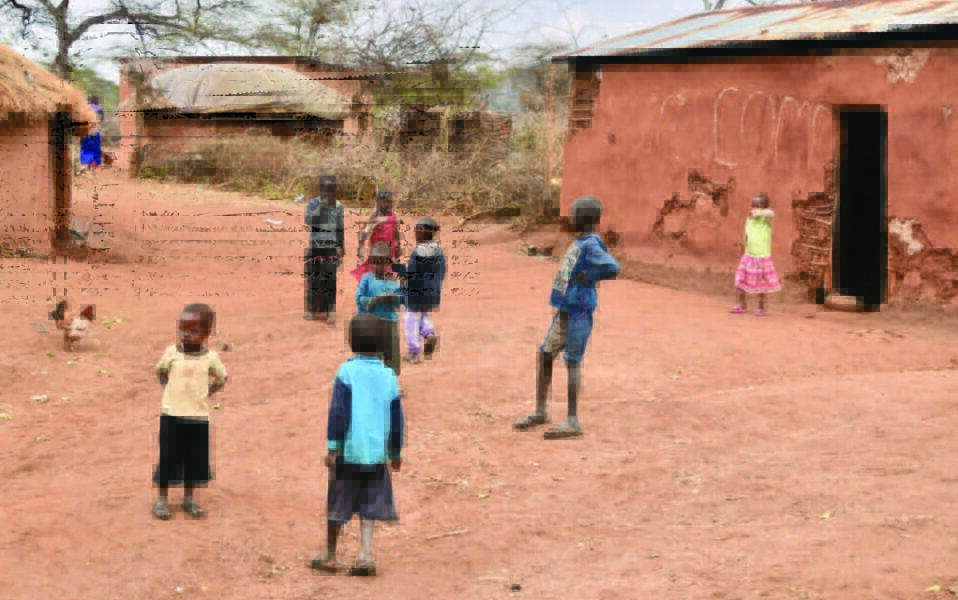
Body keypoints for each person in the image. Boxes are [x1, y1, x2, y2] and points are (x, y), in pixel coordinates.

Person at [513, 196, 620, 440]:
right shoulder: (581, 242)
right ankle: (541, 410)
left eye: (573, 214)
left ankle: (572, 420)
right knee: (545, 353)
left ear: (584, 218)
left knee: (572, 361)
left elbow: (613, 268)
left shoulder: (591, 244)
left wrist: (589, 275)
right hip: (565, 309)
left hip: (579, 311)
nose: (570, 218)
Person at [310, 313, 404, 577]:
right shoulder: (389, 377)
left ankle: (330, 553)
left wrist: (332, 448)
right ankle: (365, 555)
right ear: (383, 343)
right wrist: (395, 452)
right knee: (370, 502)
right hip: (376, 455)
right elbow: (397, 419)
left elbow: (338, 413)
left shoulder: (346, 372)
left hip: (348, 453)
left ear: (350, 341)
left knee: (338, 501)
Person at [152, 303, 228, 520]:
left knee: (194, 459)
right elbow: (160, 371)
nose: (185, 334)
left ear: (206, 332)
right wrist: (169, 389)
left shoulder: (210, 358)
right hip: (171, 416)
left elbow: (222, 377)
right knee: (168, 457)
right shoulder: (171, 352)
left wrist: (206, 393)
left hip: (198, 417)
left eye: (193, 331)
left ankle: (189, 499)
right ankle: (162, 500)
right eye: (182, 329)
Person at [355, 242, 404, 377]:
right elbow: (359, 298)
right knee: (372, 356)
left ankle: (392, 384)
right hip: (372, 323)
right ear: (371, 262)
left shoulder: (392, 280)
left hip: (390, 322)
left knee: (392, 354)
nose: (379, 266)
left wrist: (395, 298)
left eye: (382, 262)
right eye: (376, 262)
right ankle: (373, 385)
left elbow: (401, 299)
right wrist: (375, 300)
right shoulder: (367, 279)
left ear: (388, 263)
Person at [401, 217, 446, 364]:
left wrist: (403, 284)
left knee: (410, 319)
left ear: (423, 233)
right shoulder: (438, 251)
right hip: (432, 293)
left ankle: (414, 352)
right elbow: (443, 272)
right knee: (421, 314)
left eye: (417, 231)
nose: (415, 233)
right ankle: (429, 333)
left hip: (416, 292)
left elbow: (412, 273)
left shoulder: (419, 251)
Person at [729, 193, 781, 316]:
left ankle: (761, 308)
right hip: (748, 256)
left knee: (761, 286)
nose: (753, 208)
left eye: (757, 206)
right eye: (752, 205)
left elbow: (771, 213)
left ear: (764, 208)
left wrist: (760, 212)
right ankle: (742, 305)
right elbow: (746, 235)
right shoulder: (749, 219)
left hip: (762, 257)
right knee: (739, 280)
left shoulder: (767, 220)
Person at [305, 176, 346, 323]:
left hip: (331, 247)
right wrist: (320, 208)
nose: (328, 194)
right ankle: (311, 310)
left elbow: (340, 227)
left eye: (331, 191)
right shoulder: (313, 203)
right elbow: (309, 220)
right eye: (325, 190)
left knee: (330, 279)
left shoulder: (339, 206)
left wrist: (341, 246)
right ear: (320, 190)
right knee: (313, 279)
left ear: (335, 191)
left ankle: (330, 311)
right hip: (315, 246)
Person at [351, 190, 404, 282]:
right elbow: (364, 232)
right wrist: (360, 247)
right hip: (378, 254)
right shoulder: (375, 217)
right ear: (378, 202)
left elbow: (396, 231)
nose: (389, 204)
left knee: (390, 278)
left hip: (390, 253)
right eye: (386, 202)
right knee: (377, 278)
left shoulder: (393, 215)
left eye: (390, 202)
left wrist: (398, 245)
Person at [79, 95, 104, 173]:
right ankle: (92, 167)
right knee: (94, 148)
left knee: (85, 148)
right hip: (95, 131)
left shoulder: (84, 108)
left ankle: (84, 165)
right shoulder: (99, 109)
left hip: (85, 131)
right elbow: (101, 120)